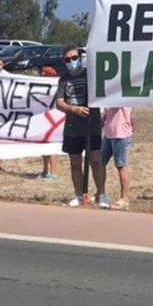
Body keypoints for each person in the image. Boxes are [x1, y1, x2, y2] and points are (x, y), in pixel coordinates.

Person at [53, 46, 100, 207]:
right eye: (67, 59)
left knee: (95, 160)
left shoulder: (91, 76)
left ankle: (101, 193)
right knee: (75, 162)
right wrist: (74, 109)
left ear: (80, 57)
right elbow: (59, 103)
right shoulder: (64, 80)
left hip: (92, 125)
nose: (71, 62)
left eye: (74, 58)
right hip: (73, 127)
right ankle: (78, 195)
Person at [95, 105, 133, 210]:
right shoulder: (109, 97)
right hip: (109, 134)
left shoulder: (119, 96)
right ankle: (100, 193)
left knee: (121, 165)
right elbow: (106, 115)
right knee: (100, 162)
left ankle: (124, 198)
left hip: (121, 134)